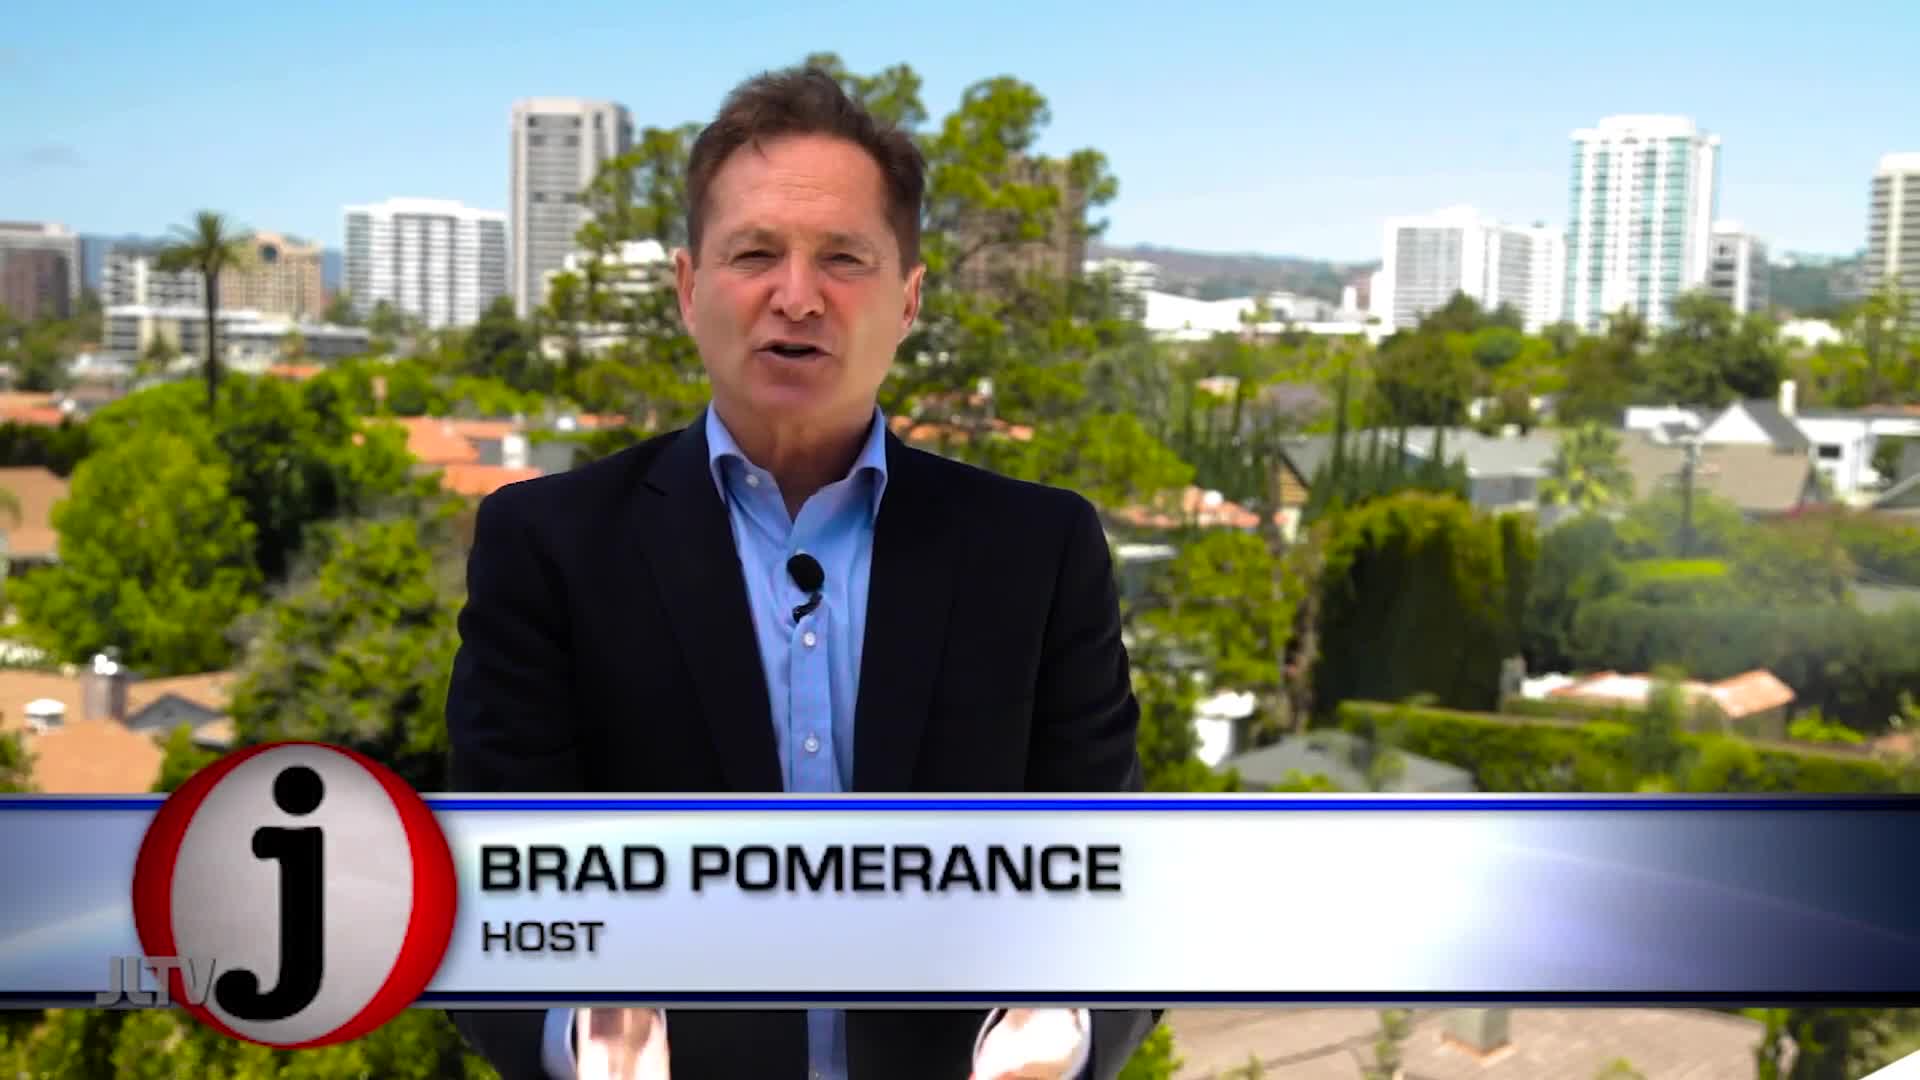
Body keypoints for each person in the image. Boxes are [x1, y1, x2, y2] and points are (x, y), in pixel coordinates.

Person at [446, 65, 1155, 1080]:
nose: (797, 296)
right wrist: (582, 1038)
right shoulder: (549, 546)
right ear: (689, 291)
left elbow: (1115, 880)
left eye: (843, 258)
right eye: (754, 254)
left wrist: (1061, 1029)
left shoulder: (1038, 553)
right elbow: (492, 896)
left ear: (908, 299)